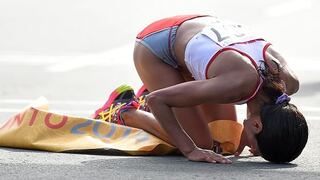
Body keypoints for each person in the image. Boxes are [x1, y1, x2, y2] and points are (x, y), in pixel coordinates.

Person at [93, 15, 308, 164]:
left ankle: (168, 91)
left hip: (195, 28)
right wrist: (190, 150)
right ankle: (124, 110)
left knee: (226, 139)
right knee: (200, 142)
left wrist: (249, 126)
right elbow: (158, 100)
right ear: (258, 124)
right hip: (156, 48)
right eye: (258, 148)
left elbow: (261, 93)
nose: (254, 151)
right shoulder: (236, 83)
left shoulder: (289, 83)